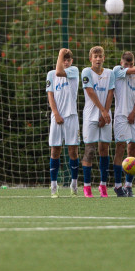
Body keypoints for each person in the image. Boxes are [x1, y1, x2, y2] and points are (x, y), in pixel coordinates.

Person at [46, 48, 81, 197]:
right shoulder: (50, 74)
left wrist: (61, 54)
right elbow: (51, 95)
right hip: (57, 117)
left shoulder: (73, 70)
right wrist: (55, 113)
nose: (65, 62)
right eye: (63, 59)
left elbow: (60, 72)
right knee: (55, 150)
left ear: (71, 61)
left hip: (71, 116)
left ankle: (74, 184)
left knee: (73, 151)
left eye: (68, 60)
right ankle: (54, 186)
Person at [81, 46, 114, 198]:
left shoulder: (110, 73)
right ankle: (87, 186)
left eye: (100, 56)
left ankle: (103, 186)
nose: (98, 59)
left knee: (104, 150)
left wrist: (105, 112)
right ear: (91, 59)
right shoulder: (86, 72)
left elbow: (110, 93)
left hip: (105, 115)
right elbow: (90, 92)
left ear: (104, 58)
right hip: (90, 116)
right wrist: (102, 111)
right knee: (89, 150)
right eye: (95, 56)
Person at [111, 52, 135, 197]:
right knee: (120, 147)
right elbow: (134, 70)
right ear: (121, 62)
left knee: (133, 148)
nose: (128, 66)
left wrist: (134, 112)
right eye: (126, 63)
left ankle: (128, 185)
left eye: (131, 63)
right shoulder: (117, 70)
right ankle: (117, 186)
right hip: (121, 115)